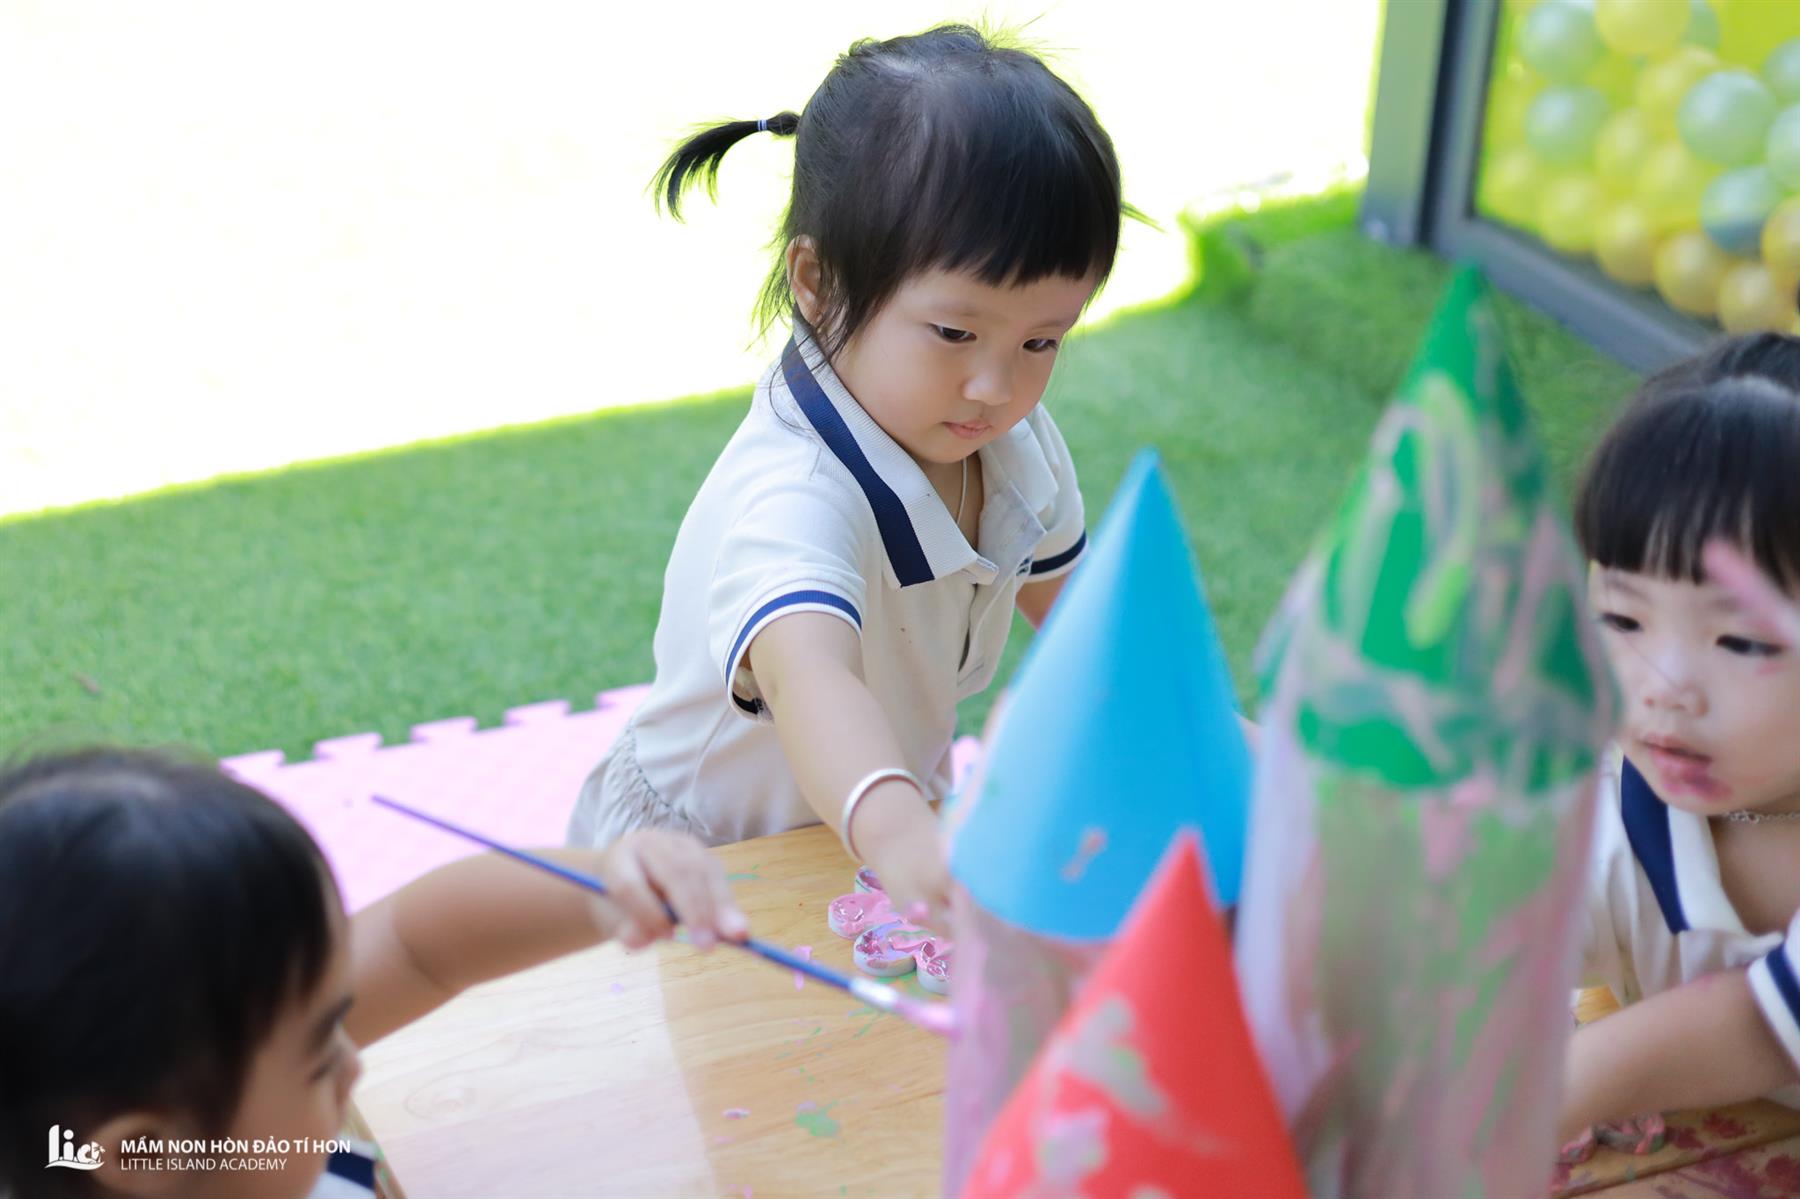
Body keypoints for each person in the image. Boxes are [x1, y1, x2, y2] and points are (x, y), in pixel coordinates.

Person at [566, 23, 1127, 925]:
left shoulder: (1014, 445)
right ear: (818, 282)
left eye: (1042, 341)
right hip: (712, 861)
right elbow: (809, 675)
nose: (997, 386)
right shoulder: (797, 491)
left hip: (881, 825)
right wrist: (900, 831)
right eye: (955, 332)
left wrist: (1223, 745)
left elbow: (1092, 635)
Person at [0, 745, 747, 1198]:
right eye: (321, 1053)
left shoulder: (200, 1077)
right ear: (149, 1151)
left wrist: (602, 886)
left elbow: (416, 941)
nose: (354, 1060)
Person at [1558, 333, 1800, 1141]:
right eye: (1624, 619)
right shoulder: (1619, 803)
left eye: (1741, 640)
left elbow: (1762, 1025)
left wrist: (1568, 1082)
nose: (1662, 685)